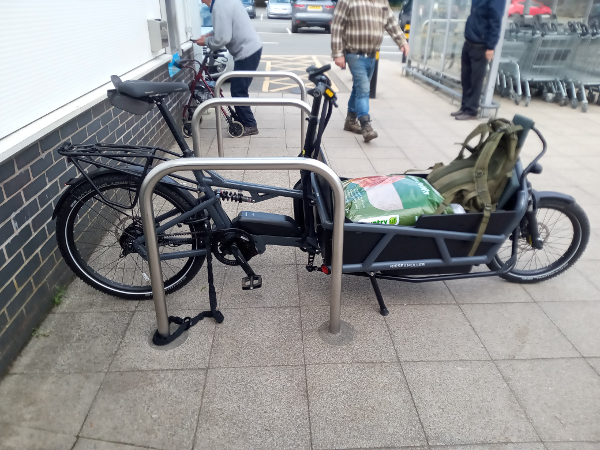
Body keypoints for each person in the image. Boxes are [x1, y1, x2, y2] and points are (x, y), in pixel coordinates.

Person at [331, 0, 409, 142]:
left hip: (372, 55)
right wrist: (337, 53)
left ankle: (350, 120)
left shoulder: (382, 1)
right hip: (354, 53)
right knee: (364, 90)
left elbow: (391, 22)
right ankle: (366, 125)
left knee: (358, 88)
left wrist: (402, 41)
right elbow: (337, 25)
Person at [195, 0, 263, 136]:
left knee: (238, 90)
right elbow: (224, 26)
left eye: (202, 0)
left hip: (246, 52)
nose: (202, 2)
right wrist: (210, 34)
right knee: (239, 89)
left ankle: (250, 125)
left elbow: (223, 38)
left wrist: (207, 41)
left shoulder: (219, 5)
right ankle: (244, 121)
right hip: (250, 49)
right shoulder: (224, 2)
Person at [452, 0, 505, 120]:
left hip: (481, 45)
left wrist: (491, 46)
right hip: (469, 40)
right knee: (466, 77)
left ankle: (471, 110)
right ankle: (464, 106)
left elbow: (496, 20)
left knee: (476, 79)